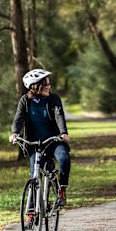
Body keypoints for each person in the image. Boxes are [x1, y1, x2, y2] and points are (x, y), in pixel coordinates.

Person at [9, 69, 71, 207]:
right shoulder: (25, 100)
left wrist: (63, 132)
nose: (49, 86)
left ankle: (62, 189)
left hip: (53, 141)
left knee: (64, 158)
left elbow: (59, 115)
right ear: (36, 86)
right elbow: (19, 118)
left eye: (49, 83)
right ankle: (31, 213)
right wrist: (15, 132)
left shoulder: (54, 99)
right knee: (34, 176)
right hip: (34, 144)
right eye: (46, 84)